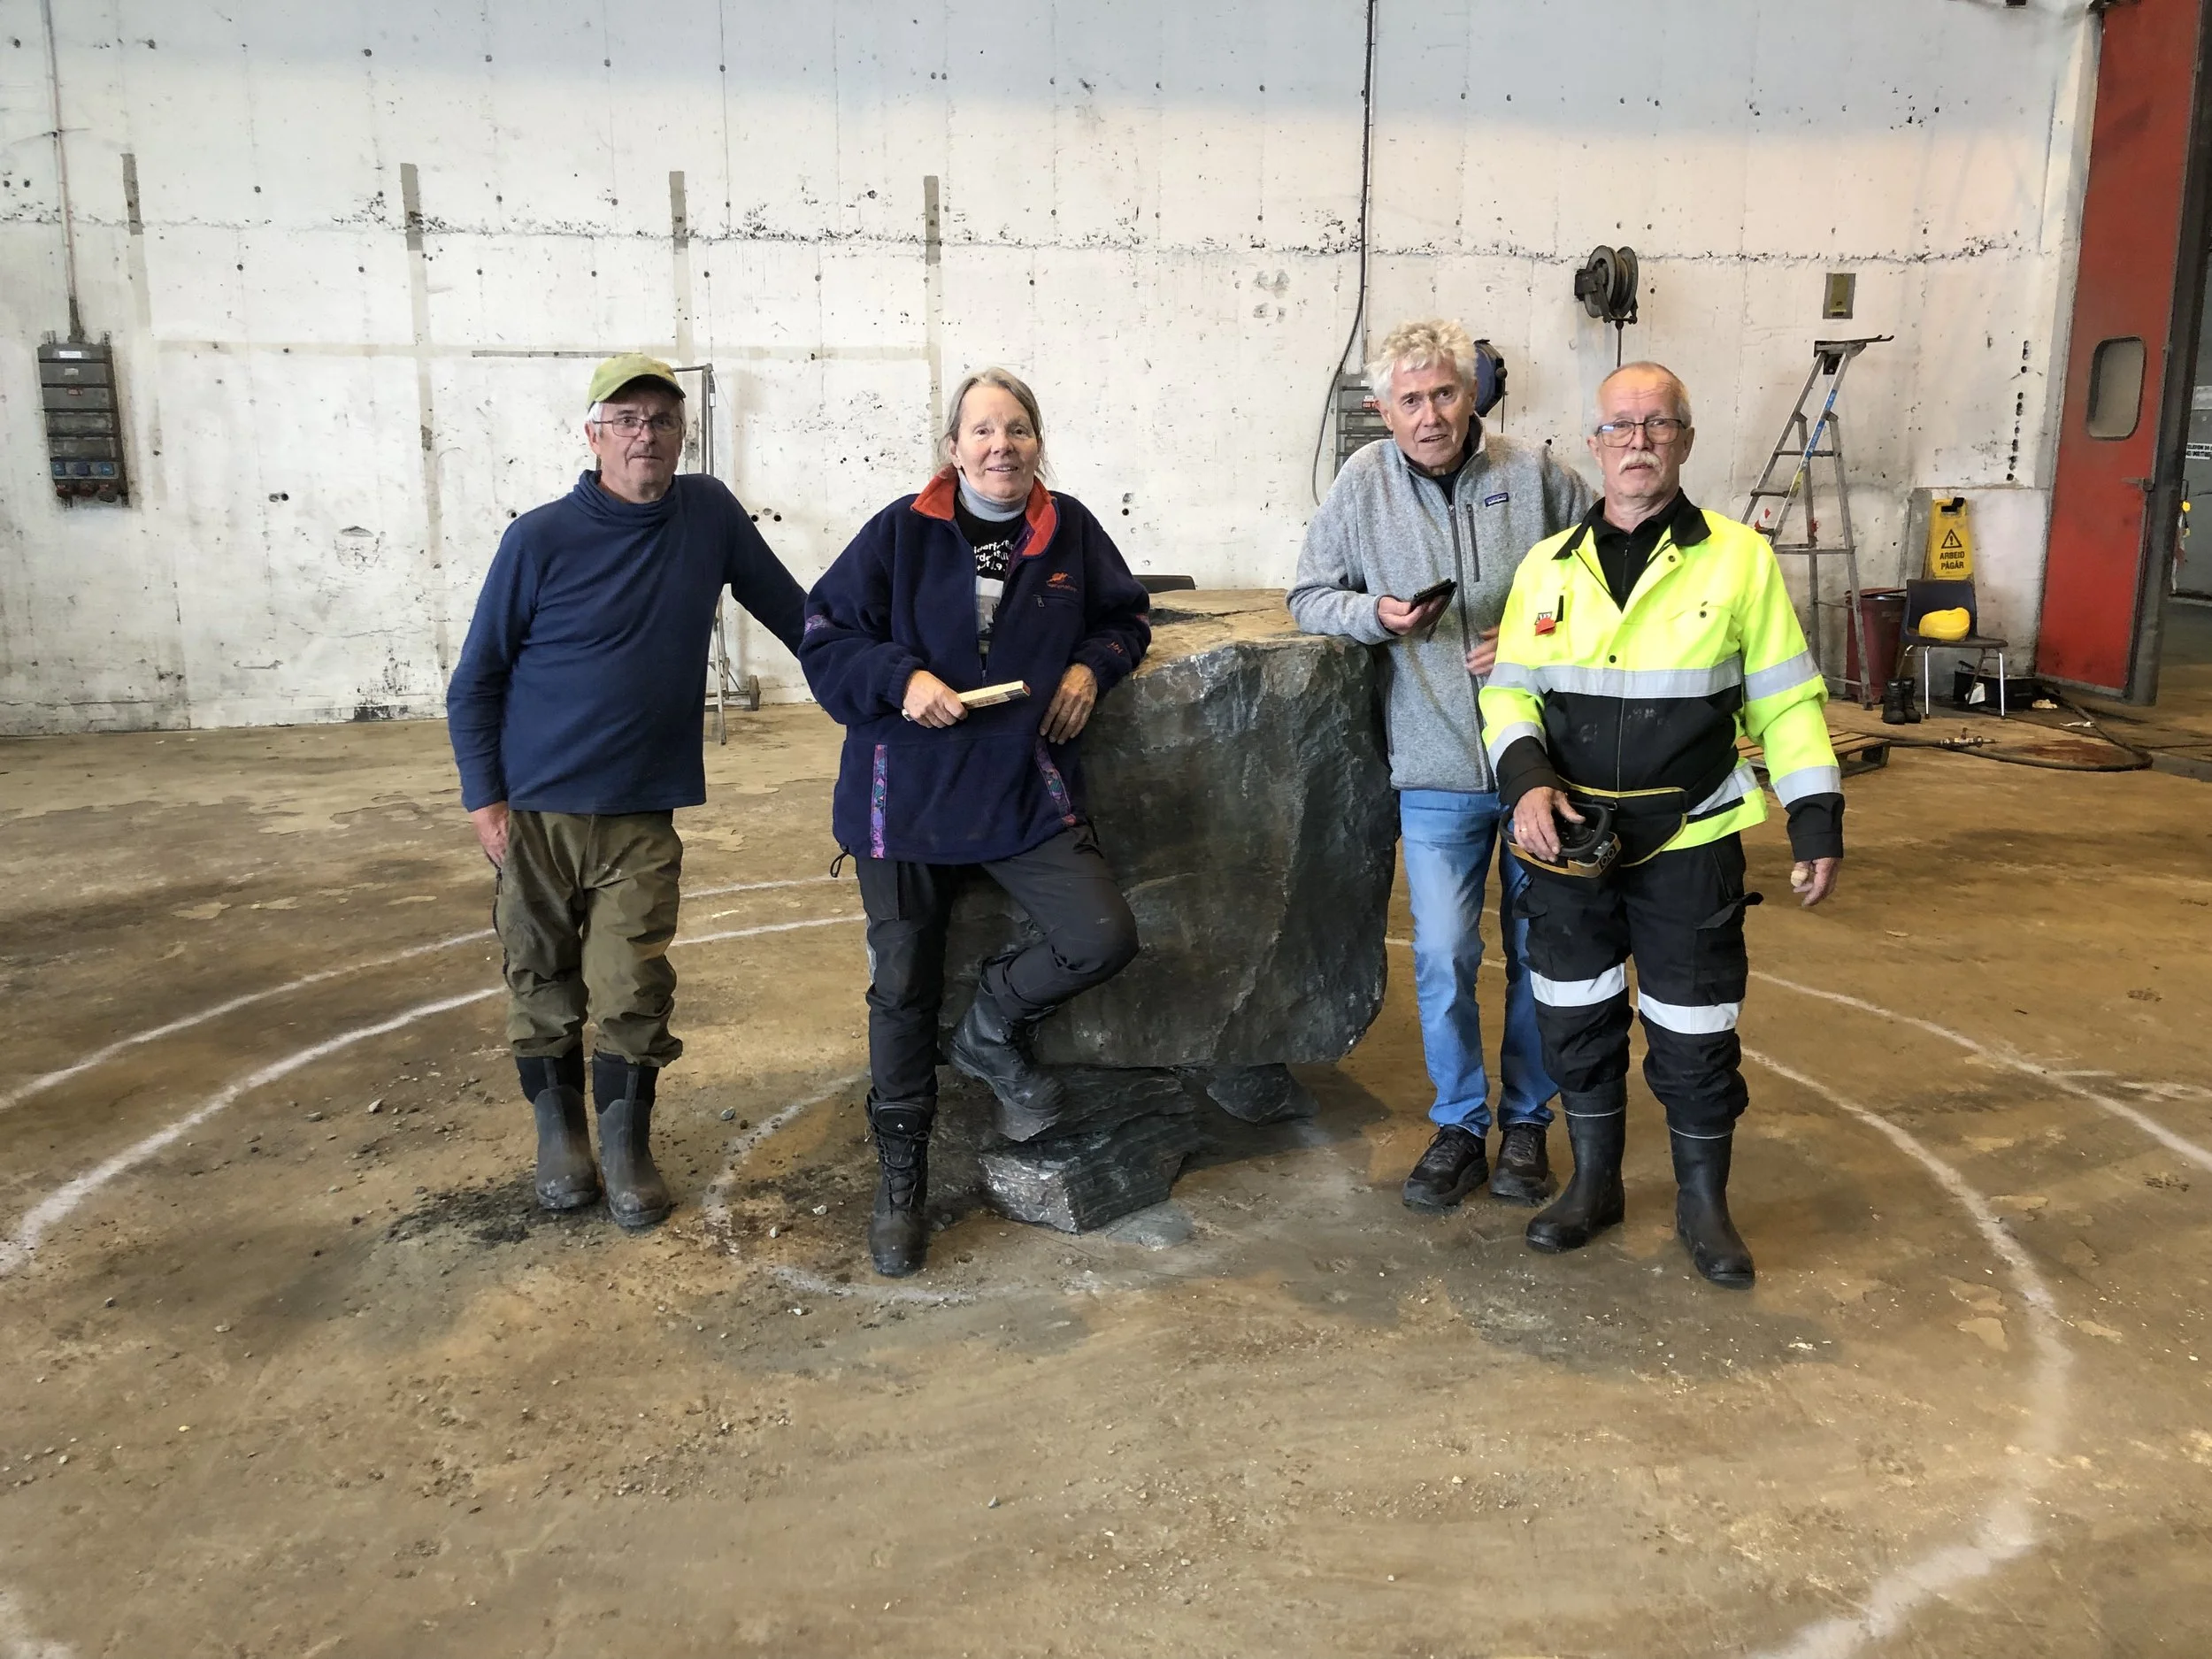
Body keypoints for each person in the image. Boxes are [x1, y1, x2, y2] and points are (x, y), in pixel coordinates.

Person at [1479, 361, 1845, 1287]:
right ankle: (1592, 1186)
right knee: (1575, 1019)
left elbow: (1786, 701)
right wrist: (1524, 781)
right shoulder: (1546, 566)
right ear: (1594, 446)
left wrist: (1814, 818)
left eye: (1657, 424)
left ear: (1685, 439)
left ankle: (1703, 1207)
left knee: (1694, 1029)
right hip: (1566, 846)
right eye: (1620, 426)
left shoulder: (1738, 560)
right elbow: (1511, 691)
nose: (1637, 441)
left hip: (1689, 842)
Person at [800, 367, 1151, 1279]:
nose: (1002, 447)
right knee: (902, 986)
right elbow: (827, 636)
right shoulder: (899, 531)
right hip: (903, 793)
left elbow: (1124, 619)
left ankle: (991, 1024)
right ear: (952, 449)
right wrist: (900, 680)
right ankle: (900, 1176)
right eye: (983, 432)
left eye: (1019, 430)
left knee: (1100, 933)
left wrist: (1090, 669)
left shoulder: (1068, 526)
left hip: (1017, 785)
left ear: (1039, 443)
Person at [446, 353, 806, 1230]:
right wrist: (483, 799)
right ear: (594, 434)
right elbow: (476, 681)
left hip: (640, 813)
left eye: (663, 420)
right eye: (628, 419)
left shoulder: (709, 515)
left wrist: (886, 679)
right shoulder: (537, 539)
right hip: (535, 812)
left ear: (684, 435)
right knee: (542, 981)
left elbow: (799, 616)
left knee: (631, 985)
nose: (647, 434)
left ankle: (624, 1143)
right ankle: (558, 1137)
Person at [1288, 319, 1596, 1215]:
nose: (1429, 416)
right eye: (1410, 400)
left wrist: (1542, 637)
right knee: (1445, 953)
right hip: (1430, 770)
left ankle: (1528, 1123)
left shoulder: (1537, 479)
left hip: (1540, 766)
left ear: (1474, 395)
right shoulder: (1361, 485)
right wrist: (1374, 616)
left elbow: (1611, 580)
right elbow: (1308, 595)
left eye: (1445, 394)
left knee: (1541, 952)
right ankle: (1461, 1124)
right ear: (1382, 410)